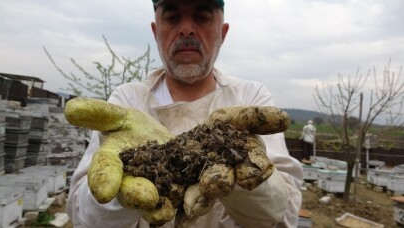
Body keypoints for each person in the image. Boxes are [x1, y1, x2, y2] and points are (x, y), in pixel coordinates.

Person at [66, 0, 303, 227]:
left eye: (201, 17)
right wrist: (119, 198)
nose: (187, 30)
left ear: (223, 32)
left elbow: (284, 214)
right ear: (155, 30)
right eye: (172, 17)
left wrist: (248, 181)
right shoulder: (128, 101)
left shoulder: (250, 98)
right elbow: (82, 216)